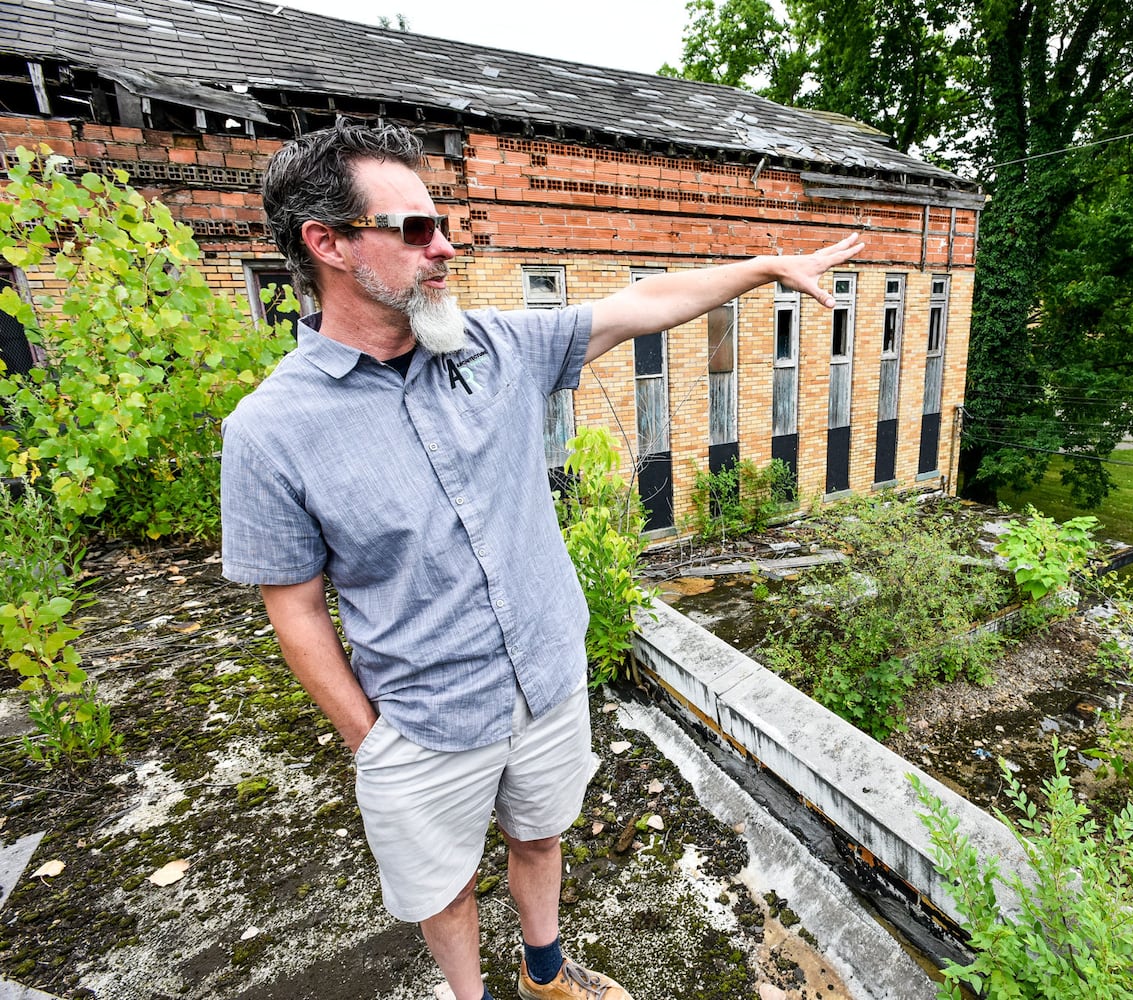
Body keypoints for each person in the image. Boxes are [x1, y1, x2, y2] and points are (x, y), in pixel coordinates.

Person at [219, 118, 862, 1000]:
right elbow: (292, 609)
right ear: (326, 243)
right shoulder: (269, 432)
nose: (444, 248)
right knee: (444, 891)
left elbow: (643, 304)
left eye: (443, 224)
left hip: (547, 678)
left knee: (543, 835)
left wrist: (759, 271)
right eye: (414, 230)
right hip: (421, 716)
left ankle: (544, 974)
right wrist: (372, 742)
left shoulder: (497, 350)